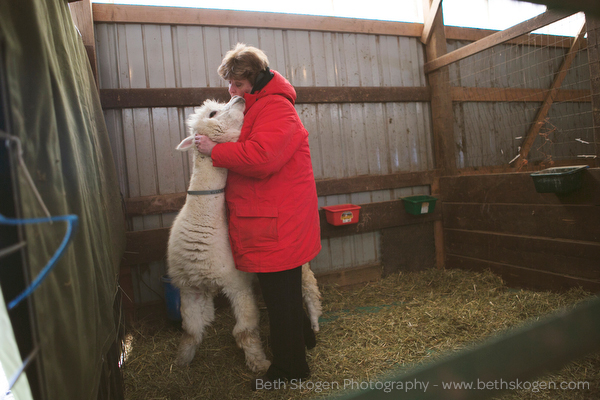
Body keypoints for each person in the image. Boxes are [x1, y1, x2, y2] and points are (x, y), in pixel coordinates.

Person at [194, 43, 321, 389]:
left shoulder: (276, 108)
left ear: (256, 77)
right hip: (275, 216)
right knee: (285, 292)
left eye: (237, 84)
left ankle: (290, 370)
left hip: (278, 220)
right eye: (230, 84)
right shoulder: (262, 105)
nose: (231, 91)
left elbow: (264, 158)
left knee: (279, 299)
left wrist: (216, 150)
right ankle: (303, 342)